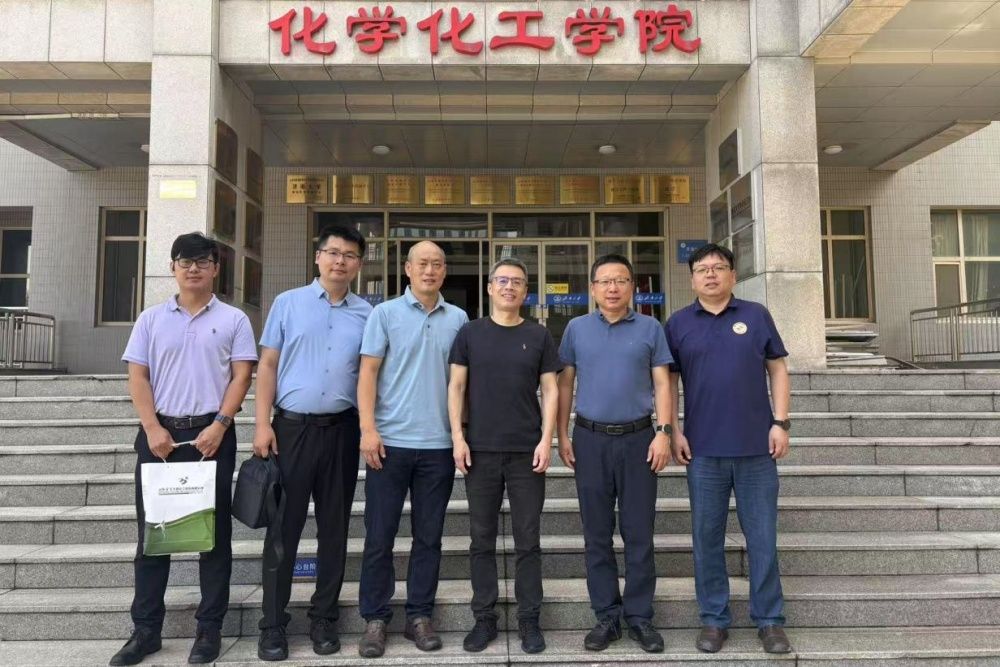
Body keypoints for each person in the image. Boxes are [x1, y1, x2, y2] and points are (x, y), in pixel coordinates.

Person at [112, 233, 257, 666]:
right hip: (160, 439)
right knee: (153, 537)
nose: (193, 268)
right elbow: (138, 377)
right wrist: (152, 428)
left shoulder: (234, 319)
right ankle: (146, 631)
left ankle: (209, 629)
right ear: (172, 267)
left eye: (202, 261)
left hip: (212, 438)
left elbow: (242, 376)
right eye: (184, 261)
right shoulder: (150, 319)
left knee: (213, 539)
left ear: (216, 268)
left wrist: (220, 424)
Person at [664, 243, 792, 655]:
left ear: (733, 275)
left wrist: (781, 422)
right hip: (703, 451)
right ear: (692, 279)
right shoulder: (678, 323)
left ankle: (769, 620)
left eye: (719, 267)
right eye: (702, 269)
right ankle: (714, 619)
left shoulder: (755, 315)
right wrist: (673, 430)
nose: (711, 274)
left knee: (762, 537)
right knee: (706, 538)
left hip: (756, 449)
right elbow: (667, 382)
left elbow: (778, 368)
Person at [254, 225, 372, 661]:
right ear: (318, 256)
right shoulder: (288, 303)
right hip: (291, 431)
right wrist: (261, 424)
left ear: (359, 265)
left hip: (342, 430)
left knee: (334, 529)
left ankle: (324, 618)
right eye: (333, 252)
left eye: (349, 255)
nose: (340, 261)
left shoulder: (367, 314)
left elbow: (370, 374)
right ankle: (273, 624)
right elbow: (268, 365)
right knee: (283, 529)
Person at [356, 241, 469, 658]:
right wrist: (368, 429)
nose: (430, 270)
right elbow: (368, 373)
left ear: (444, 271)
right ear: (407, 268)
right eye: (422, 263)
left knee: (429, 537)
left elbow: (462, 383)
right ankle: (375, 618)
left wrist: (460, 433)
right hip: (389, 444)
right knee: (379, 536)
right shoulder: (384, 314)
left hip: (438, 446)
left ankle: (420, 615)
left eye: (437, 264)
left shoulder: (458, 318)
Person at [556, 253, 673, 654]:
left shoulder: (650, 327)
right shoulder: (576, 329)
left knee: (639, 532)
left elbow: (663, 383)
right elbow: (565, 384)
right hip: (590, 440)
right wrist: (562, 434)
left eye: (620, 280)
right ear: (592, 288)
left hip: (639, 439)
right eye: (604, 281)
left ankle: (639, 616)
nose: (612, 288)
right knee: (596, 533)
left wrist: (664, 432)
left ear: (632, 287)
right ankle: (606, 615)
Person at [447, 257, 561, 654]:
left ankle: (530, 620)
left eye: (517, 282)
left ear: (526, 291)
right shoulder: (470, 333)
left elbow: (551, 390)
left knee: (528, 540)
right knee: (481, 539)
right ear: (490, 288)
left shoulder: (539, 335)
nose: (509, 287)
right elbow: (456, 387)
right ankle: (484, 619)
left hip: (526, 451)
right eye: (502, 280)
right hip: (480, 450)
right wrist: (458, 438)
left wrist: (547, 440)